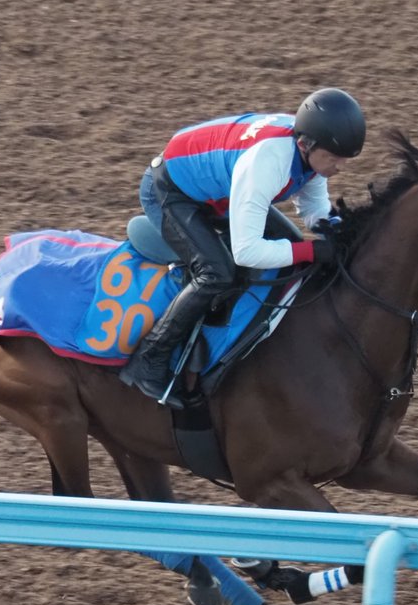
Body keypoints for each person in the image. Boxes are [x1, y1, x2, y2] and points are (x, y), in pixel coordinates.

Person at [119, 87, 366, 408]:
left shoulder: (309, 147)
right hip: (170, 192)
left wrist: (339, 231)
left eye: (344, 159)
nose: (340, 167)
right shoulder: (269, 162)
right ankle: (148, 360)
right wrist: (311, 251)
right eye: (334, 158)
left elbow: (314, 209)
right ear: (305, 145)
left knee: (286, 250)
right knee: (217, 273)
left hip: (213, 189)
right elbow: (246, 251)